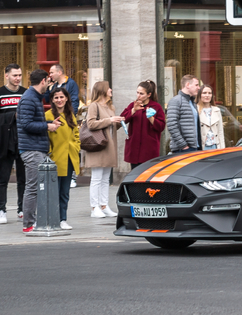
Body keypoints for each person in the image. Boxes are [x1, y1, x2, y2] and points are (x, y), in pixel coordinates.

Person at [18, 69, 61, 233]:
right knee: (33, 187)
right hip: (31, 149)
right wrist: (47, 126)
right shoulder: (29, 99)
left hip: (36, 147)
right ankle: (28, 224)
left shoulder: (34, 98)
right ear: (43, 81)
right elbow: (27, 124)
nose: (49, 86)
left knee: (36, 187)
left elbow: (31, 121)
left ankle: (33, 221)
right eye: (48, 82)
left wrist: (49, 122)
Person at [0, 63, 27, 224]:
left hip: (22, 140)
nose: (17, 78)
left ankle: (22, 208)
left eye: (19, 75)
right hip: (4, 141)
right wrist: (12, 116)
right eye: (14, 75)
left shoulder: (26, 93)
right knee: (3, 178)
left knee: (23, 178)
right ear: (6, 75)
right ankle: (1, 210)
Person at [83, 81, 123, 218]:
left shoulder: (110, 107)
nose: (111, 90)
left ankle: (104, 205)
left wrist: (117, 122)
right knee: (97, 178)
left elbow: (110, 126)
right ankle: (94, 207)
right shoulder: (94, 106)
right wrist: (110, 120)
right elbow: (91, 123)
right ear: (102, 90)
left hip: (108, 146)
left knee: (106, 178)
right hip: (98, 146)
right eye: (108, 88)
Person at [46, 88, 80, 230]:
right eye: (56, 97)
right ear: (52, 100)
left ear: (66, 98)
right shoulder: (48, 115)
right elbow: (45, 137)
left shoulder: (70, 115)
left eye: (61, 97)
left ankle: (63, 219)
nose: (59, 100)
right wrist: (50, 153)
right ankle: (52, 218)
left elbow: (76, 134)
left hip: (69, 158)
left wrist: (76, 147)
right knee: (53, 191)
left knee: (64, 192)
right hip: (56, 158)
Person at [120, 80, 166, 169]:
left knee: (148, 178)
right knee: (135, 177)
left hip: (149, 150)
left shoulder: (156, 107)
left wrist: (151, 118)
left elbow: (161, 127)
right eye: (137, 92)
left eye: (141, 93)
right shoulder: (133, 105)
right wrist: (133, 110)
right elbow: (122, 119)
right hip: (134, 149)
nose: (138, 96)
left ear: (149, 94)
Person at [166, 74, 201, 153]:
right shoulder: (176, 101)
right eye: (196, 85)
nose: (198, 88)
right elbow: (172, 125)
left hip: (194, 148)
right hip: (183, 149)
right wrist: (183, 146)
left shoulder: (192, 102)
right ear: (187, 85)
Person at [196, 84, 225, 150]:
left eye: (209, 93)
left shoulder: (216, 110)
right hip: (202, 147)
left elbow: (220, 132)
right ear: (199, 95)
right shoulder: (195, 110)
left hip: (215, 146)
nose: (207, 95)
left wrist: (222, 148)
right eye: (204, 93)